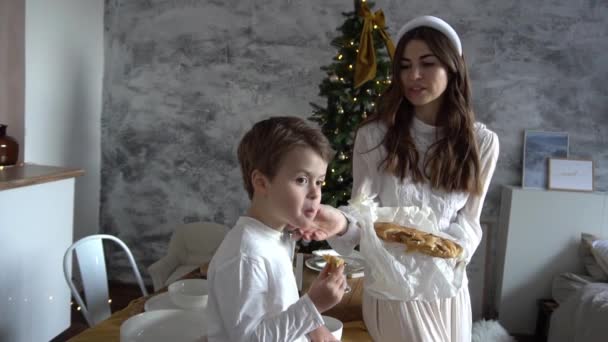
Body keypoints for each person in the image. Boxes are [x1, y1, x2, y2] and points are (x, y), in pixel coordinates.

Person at [299, 16, 500, 341]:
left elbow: (469, 224)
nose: (414, 76)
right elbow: (362, 216)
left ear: (453, 67)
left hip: (448, 291)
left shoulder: (481, 143)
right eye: (405, 66)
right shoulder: (375, 136)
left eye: (427, 63)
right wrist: (336, 222)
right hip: (394, 289)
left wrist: (443, 250)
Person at [205, 116, 348, 342]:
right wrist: (313, 306)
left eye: (319, 182)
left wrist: (314, 326)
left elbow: (278, 305)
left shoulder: (279, 236)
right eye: (302, 180)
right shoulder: (245, 256)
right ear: (261, 183)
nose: (315, 193)